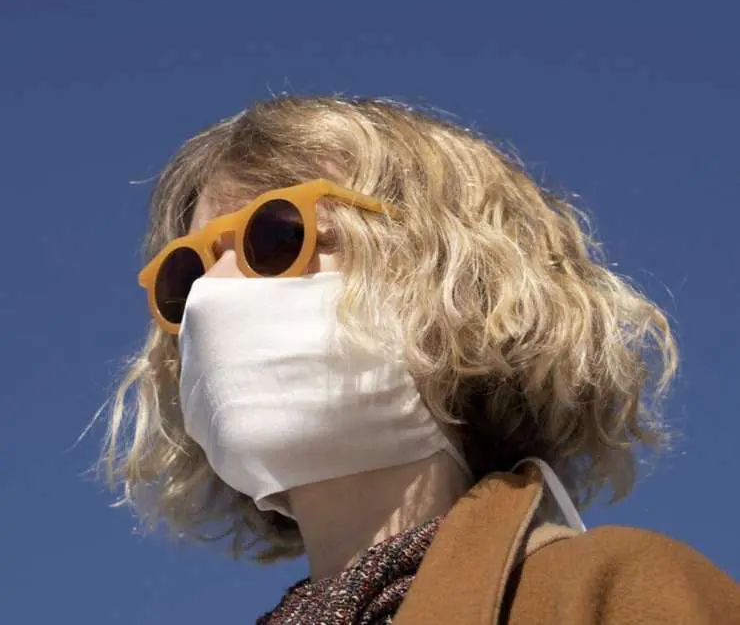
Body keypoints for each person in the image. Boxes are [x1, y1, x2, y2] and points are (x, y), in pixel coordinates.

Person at [103, 96, 739, 624]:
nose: (213, 292)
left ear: (456, 277)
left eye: (276, 236)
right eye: (185, 276)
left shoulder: (609, 593)